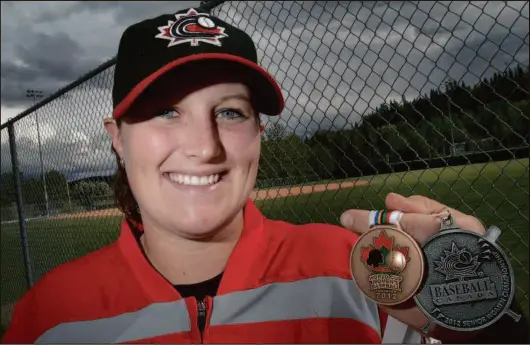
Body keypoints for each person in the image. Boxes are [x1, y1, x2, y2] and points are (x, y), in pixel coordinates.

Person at [2, 7, 528, 344]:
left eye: (230, 112)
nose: (205, 146)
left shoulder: (363, 272)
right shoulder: (50, 316)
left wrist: (480, 314)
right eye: (166, 111)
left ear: (258, 134)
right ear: (117, 137)